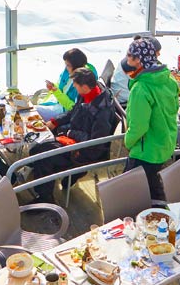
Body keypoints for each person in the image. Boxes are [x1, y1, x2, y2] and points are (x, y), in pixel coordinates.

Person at [29, 67, 118, 202]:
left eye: (75, 85)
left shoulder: (102, 111)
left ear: (84, 86)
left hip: (83, 150)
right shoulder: (87, 94)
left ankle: (46, 198)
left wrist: (71, 133)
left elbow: (96, 141)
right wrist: (55, 121)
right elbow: (74, 112)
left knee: (44, 157)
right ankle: (49, 177)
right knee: (36, 149)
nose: (74, 88)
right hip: (72, 137)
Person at [122, 37, 178, 202]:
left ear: (138, 60)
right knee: (154, 187)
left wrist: (127, 142)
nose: (126, 58)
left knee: (129, 192)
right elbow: (174, 108)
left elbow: (138, 126)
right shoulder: (169, 79)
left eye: (129, 55)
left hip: (145, 151)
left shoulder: (141, 89)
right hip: (164, 142)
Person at [36, 48, 97, 120]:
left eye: (68, 65)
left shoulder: (83, 81)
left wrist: (56, 92)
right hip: (57, 102)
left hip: (65, 110)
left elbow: (73, 108)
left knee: (35, 111)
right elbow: (61, 86)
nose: (66, 67)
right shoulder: (67, 72)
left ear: (76, 66)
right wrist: (53, 87)